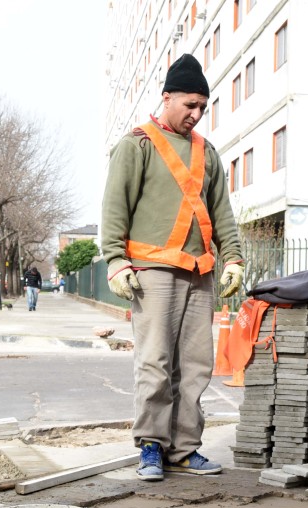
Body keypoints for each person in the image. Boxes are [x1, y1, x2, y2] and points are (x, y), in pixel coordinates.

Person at [101, 53, 244, 482]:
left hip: (199, 273)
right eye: (190, 105)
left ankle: (184, 449)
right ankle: (150, 445)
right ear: (167, 98)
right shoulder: (136, 145)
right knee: (155, 362)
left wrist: (233, 255)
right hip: (152, 272)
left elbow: (223, 213)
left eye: (203, 106)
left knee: (197, 366)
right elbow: (114, 209)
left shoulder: (208, 153)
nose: (197, 114)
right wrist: (115, 259)